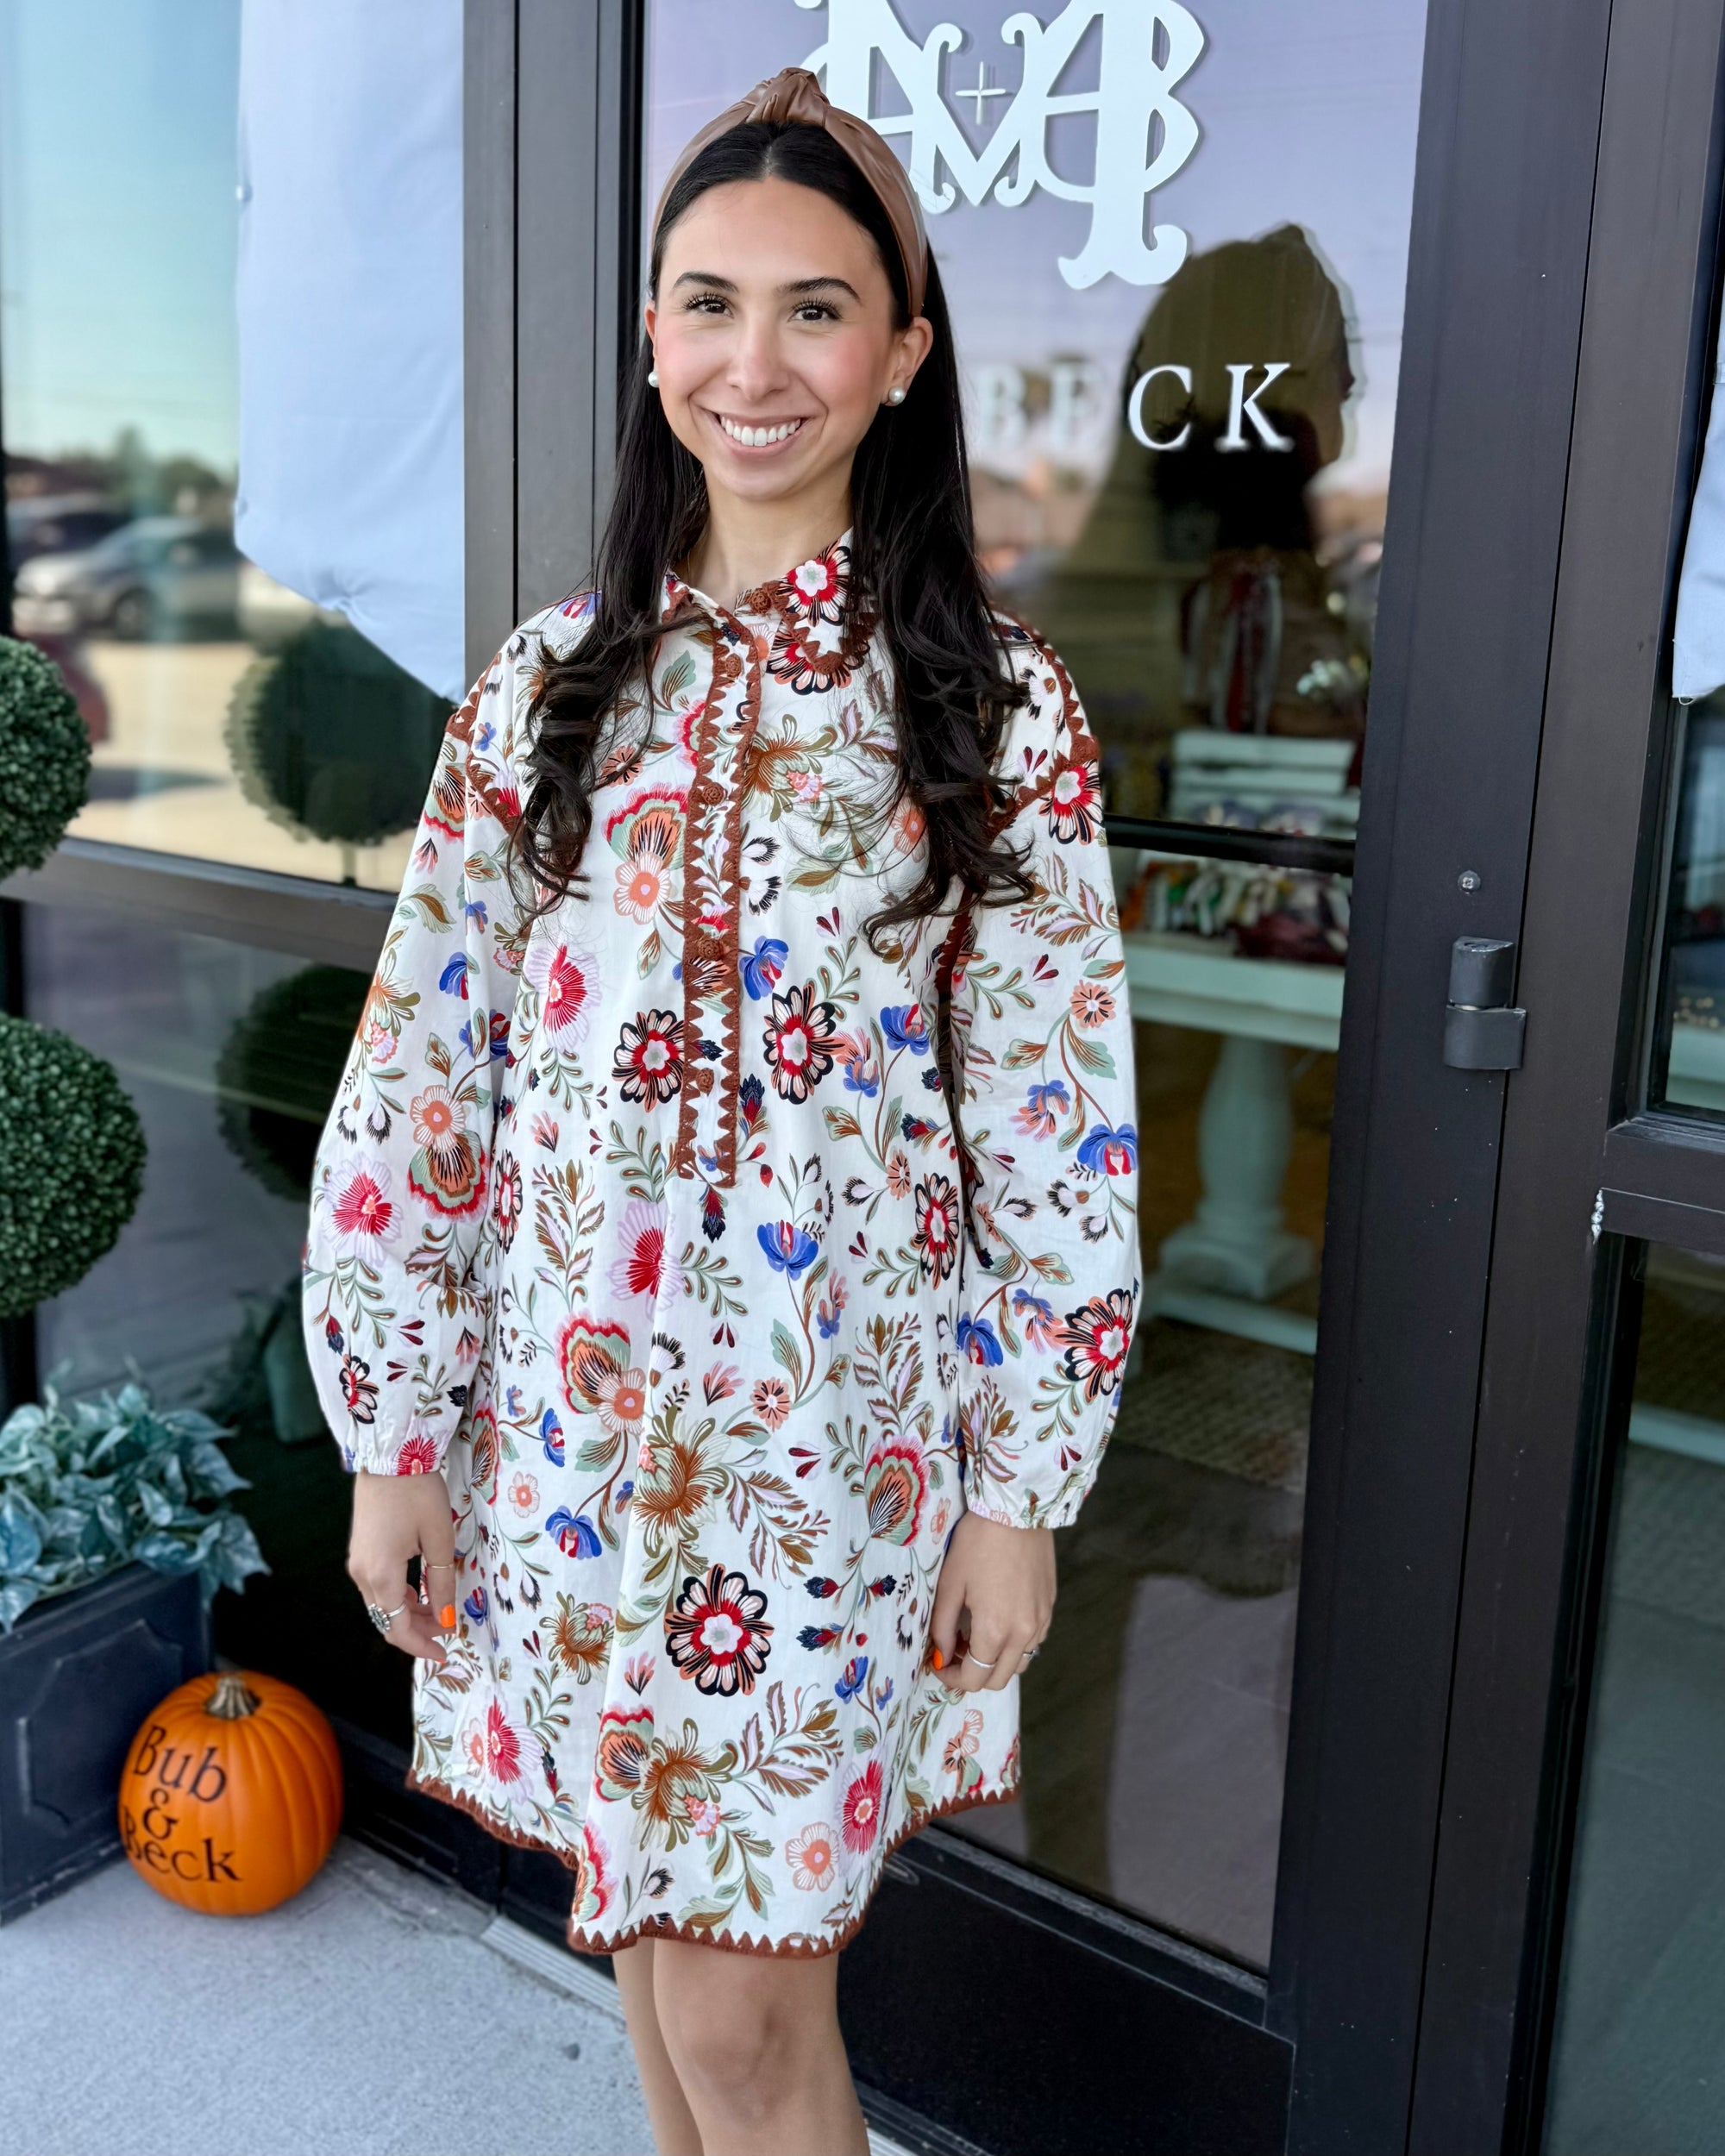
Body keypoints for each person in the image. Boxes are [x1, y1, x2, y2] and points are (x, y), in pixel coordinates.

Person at [302, 67, 1139, 2156]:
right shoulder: (546, 688)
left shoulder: (989, 709)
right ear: (649, 338)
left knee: (749, 2017)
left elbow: (1054, 1123)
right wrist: (393, 1439)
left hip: (826, 1463)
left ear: (903, 355)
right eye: (706, 303)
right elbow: (423, 1072)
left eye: (815, 309)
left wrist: (1018, 1481)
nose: (752, 365)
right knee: (659, 1975)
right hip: (563, 1445)